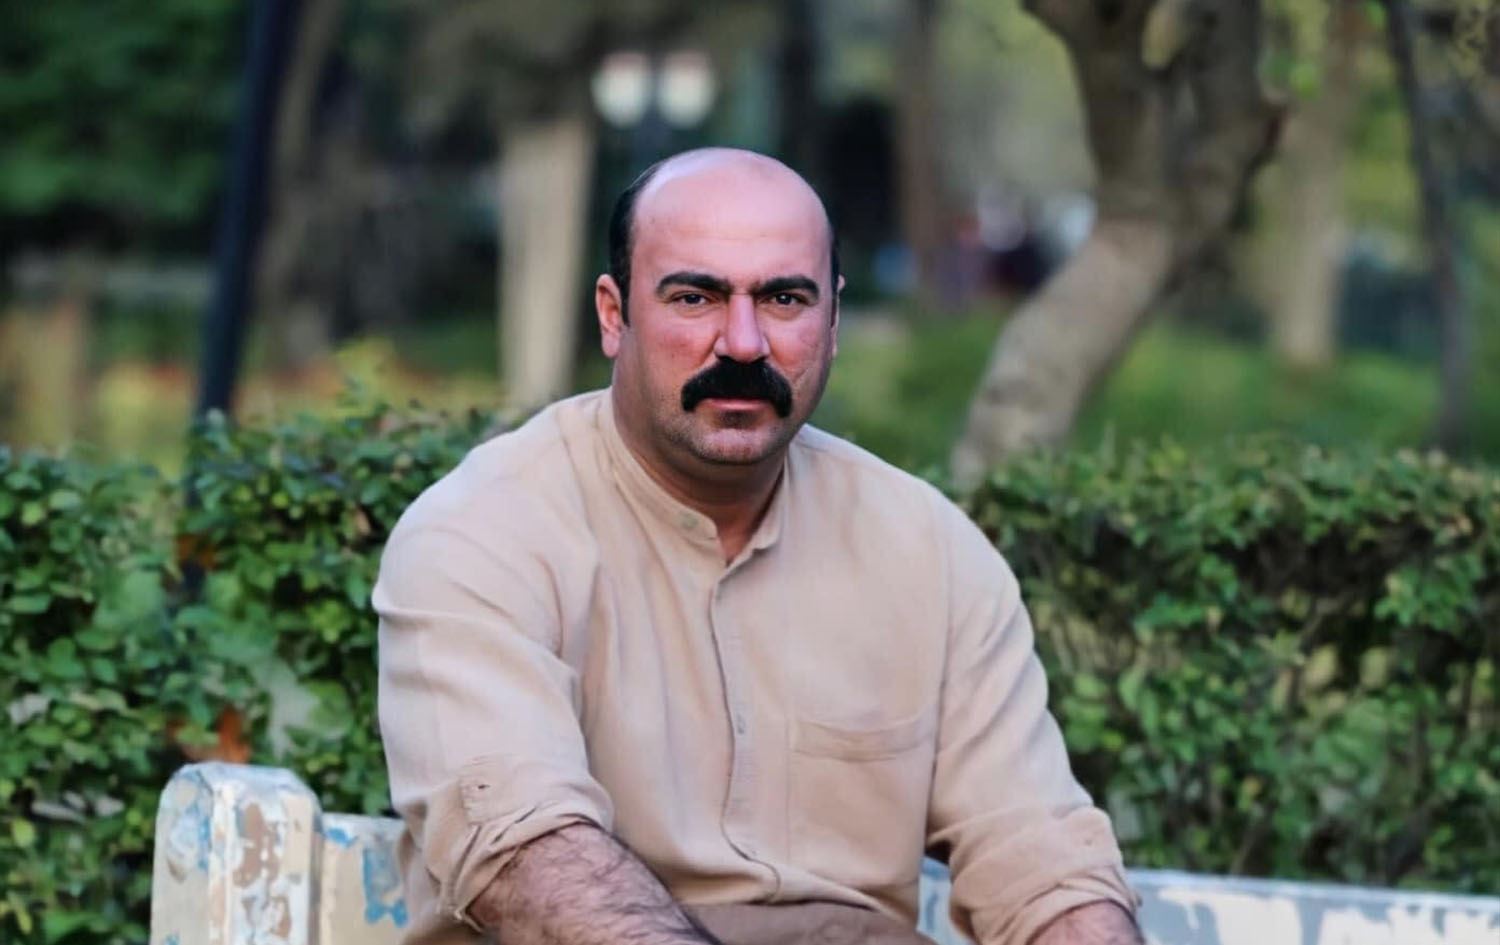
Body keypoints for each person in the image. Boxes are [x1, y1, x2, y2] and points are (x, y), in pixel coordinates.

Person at [375, 148, 1140, 945]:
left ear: (832, 322)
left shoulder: (930, 550)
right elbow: (529, 857)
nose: (742, 343)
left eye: (783, 298)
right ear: (613, 313)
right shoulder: (483, 530)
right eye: (695, 296)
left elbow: (1041, 863)